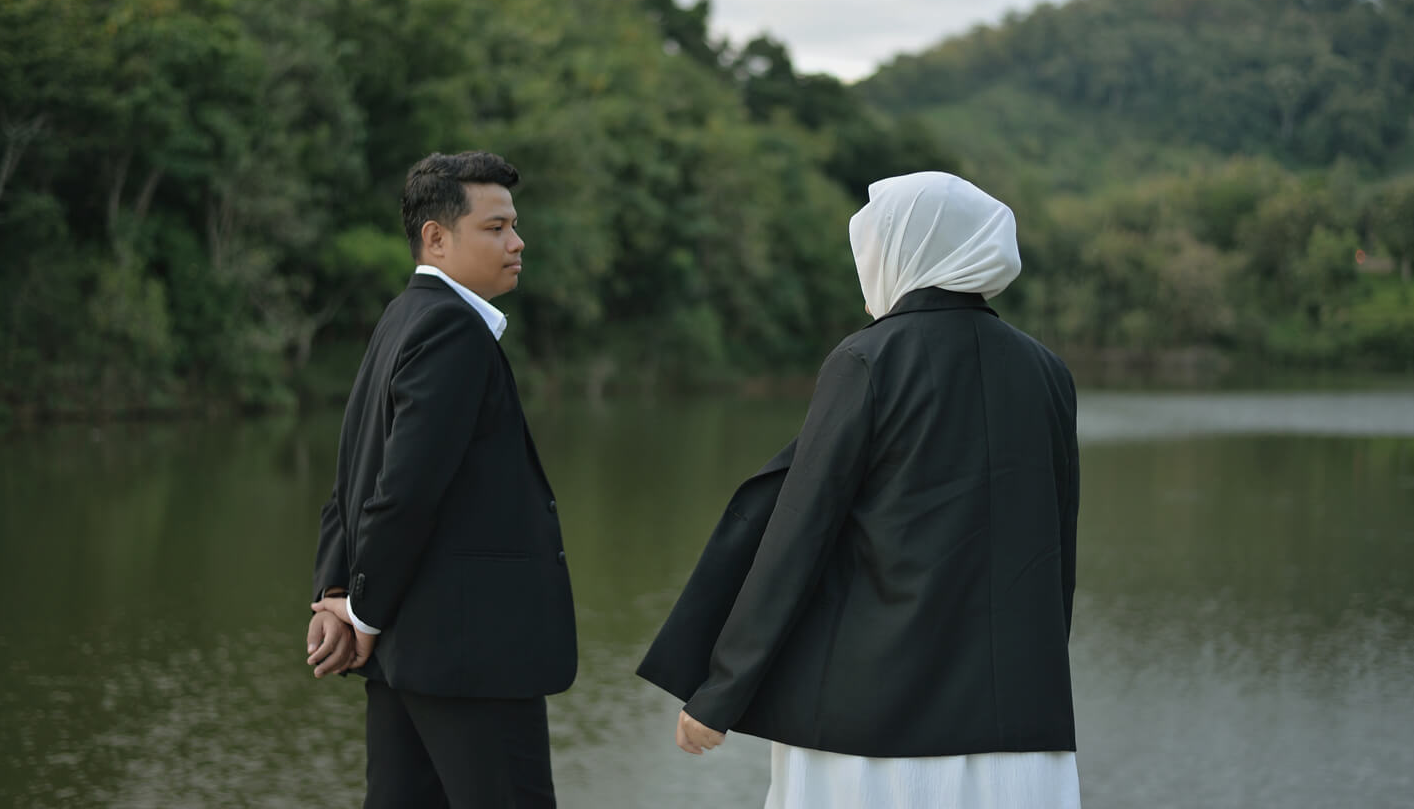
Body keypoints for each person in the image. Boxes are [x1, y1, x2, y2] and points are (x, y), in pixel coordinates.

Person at [642, 171, 1081, 808]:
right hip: (1021, 727)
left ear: (909, 250)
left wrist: (721, 692)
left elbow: (798, 536)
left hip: (873, 731)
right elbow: (1056, 555)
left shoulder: (869, 359)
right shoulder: (1048, 372)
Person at [304, 151, 576, 809]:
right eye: (495, 228)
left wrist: (338, 590)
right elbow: (401, 492)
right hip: (469, 655)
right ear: (436, 237)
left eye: (514, 225)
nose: (517, 242)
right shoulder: (453, 329)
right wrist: (358, 612)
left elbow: (353, 476)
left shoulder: (402, 316)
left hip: (411, 651)